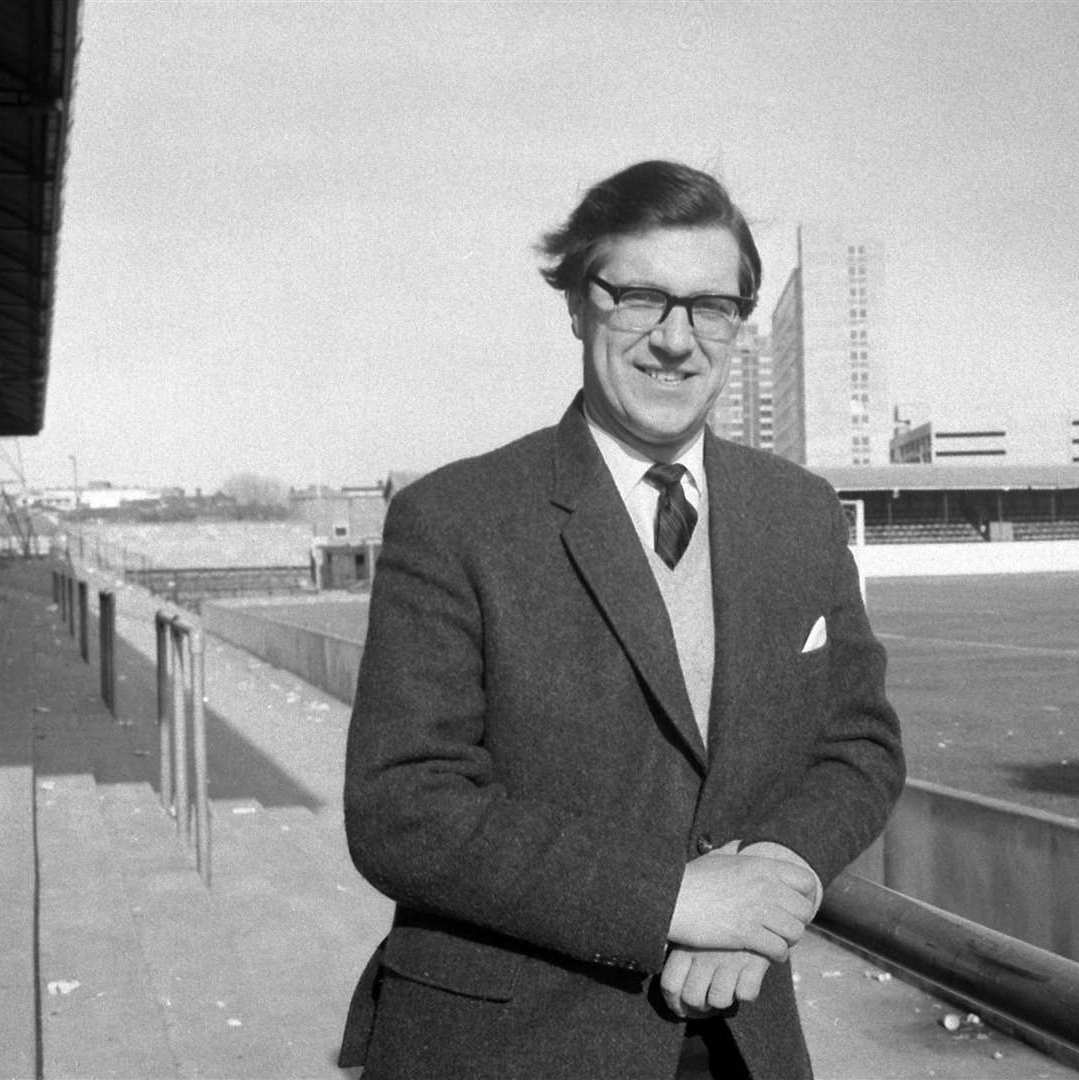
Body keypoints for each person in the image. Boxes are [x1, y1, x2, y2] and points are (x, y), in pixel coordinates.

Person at [339, 159, 905, 1080]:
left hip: (738, 1045)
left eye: (710, 307)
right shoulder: (456, 519)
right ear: (576, 303)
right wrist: (678, 901)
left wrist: (770, 884)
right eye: (640, 297)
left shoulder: (799, 512)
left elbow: (862, 743)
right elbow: (402, 806)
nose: (677, 340)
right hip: (510, 1050)